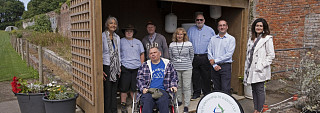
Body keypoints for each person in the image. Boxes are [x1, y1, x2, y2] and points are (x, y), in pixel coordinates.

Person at [243, 18, 275, 113]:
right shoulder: (251, 39)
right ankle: (255, 109)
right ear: (254, 27)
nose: (258, 27)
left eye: (261, 26)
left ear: (264, 27)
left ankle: (260, 110)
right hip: (251, 68)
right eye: (257, 25)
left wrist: (261, 65)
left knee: (260, 90)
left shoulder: (267, 39)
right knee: (253, 90)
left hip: (260, 69)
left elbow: (271, 55)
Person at [137, 47, 178, 113]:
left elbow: (174, 76)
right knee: (147, 101)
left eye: (155, 52)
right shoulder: (145, 65)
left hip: (164, 90)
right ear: (149, 56)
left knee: (163, 101)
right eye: (151, 53)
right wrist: (143, 88)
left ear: (160, 53)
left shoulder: (168, 64)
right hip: (148, 91)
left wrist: (173, 86)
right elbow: (139, 78)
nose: (153, 54)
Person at [187, 13, 215, 100]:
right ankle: (196, 92)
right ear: (195, 21)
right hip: (194, 56)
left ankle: (206, 92)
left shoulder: (210, 30)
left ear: (204, 21)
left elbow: (213, 44)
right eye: (197, 20)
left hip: (205, 56)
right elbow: (187, 43)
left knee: (206, 76)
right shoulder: (190, 30)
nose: (199, 21)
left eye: (201, 20)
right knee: (195, 76)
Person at [119, 24, 145, 113]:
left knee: (134, 88)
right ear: (124, 33)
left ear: (133, 33)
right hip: (125, 67)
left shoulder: (138, 42)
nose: (129, 33)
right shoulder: (120, 41)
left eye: (131, 31)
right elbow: (117, 54)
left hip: (137, 68)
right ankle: (123, 105)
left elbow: (142, 54)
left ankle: (135, 104)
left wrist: (142, 66)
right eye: (127, 31)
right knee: (124, 88)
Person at [169, 28, 194, 113]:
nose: (179, 36)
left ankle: (186, 104)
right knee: (178, 86)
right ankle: (179, 100)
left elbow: (191, 56)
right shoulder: (172, 45)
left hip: (187, 68)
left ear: (184, 35)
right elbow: (171, 57)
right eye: (178, 34)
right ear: (175, 35)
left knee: (187, 86)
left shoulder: (189, 44)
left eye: (181, 34)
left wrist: (186, 63)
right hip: (176, 68)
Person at [207, 20, 236, 95]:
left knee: (225, 89)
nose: (222, 27)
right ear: (217, 27)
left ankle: (226, 106)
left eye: (224, 25)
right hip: (214, 67)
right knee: (216, 89)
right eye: (220, 25)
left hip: (225, 66)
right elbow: (209, 52)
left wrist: (215, 61)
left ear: (227, 27)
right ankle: (217, 106)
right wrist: (214, 65)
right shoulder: (213, 39)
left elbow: (229, 54)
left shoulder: (231, 39)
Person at [102, 16, 121, 113]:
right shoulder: (102, 36)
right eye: (111, 23)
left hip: (116, 67)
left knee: (114, 92)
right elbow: (99, 53)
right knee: (107, 91)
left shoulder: (117, 37)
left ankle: (114, 111)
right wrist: (100, 69)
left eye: (115, 23)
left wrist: (119, 67)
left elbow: (118, 53)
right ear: (107, 25)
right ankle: (107, 111)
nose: (113, 25)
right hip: (106, 66)